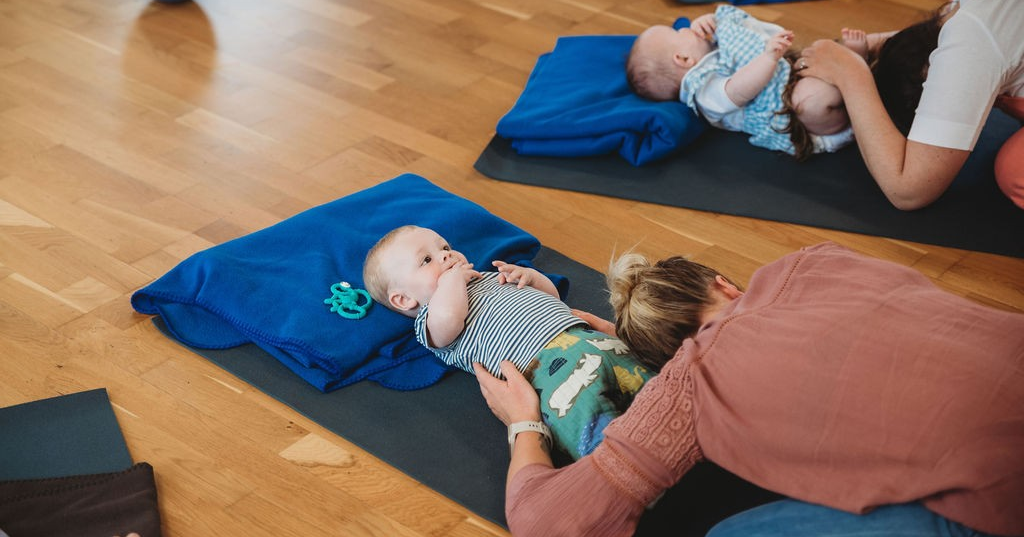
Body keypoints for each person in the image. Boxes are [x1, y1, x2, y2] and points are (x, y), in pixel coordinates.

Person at [475, 241, 1024, 537]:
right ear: (723, 283)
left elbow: (550, 524)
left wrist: (523, 422)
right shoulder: (816, 261)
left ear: (661, 364)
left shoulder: (688, 386)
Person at [362, 225, 655, 460]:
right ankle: (625, 463)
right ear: (404, 300)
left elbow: (553, 300)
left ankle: (670, 413)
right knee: (587, 417)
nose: (445, 256)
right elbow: (449, 318)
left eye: (445, 248)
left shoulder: (486, 278)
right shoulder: (430, 319)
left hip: (587, 337)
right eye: (426, 260)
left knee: (649, 378)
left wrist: (532, 278)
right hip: (548, 371)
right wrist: (452, 281)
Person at [797, 1, 1024, 210]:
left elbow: (908, 192)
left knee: (1013, 170)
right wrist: (869, 48)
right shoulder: (965, 23)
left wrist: (851, 73)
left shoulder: (971, 42)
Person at [627, 5, 861, 160]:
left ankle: (855, 67)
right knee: (814, 98)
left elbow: (737, 40)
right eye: (679, 32)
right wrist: (767, 58)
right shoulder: (703, 91)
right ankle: (857, 85)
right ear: (684, 59)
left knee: (820, 55)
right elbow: (738, 90)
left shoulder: (713, 54)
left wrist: (710, 21)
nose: (687, 28)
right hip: (792, 113)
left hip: (791, 76)